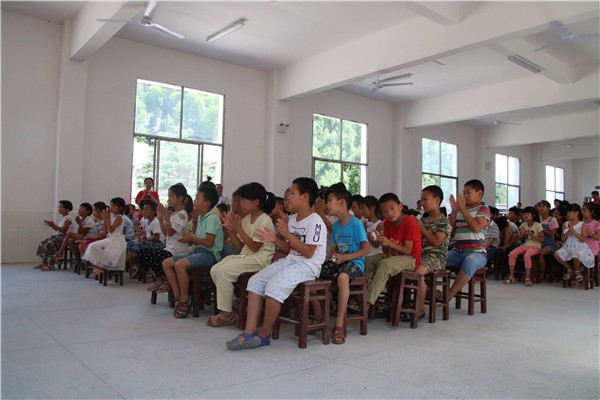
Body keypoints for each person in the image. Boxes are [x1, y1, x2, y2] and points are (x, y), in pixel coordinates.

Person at [226, 177, 326, 350]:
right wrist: (275, 239)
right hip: (291, 260)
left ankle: (264, 334)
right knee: (255, 281)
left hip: (308, 266)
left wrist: (287, 234)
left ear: (305, 197)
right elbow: (288, 248)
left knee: (274, 287)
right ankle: (249, 332)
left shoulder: (316, 221)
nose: (288, 197)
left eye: (292, 193)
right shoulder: (292, 219)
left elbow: (309, 252)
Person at [208, 182, 276, 327]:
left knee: (224, 272)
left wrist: (238, 229)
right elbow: (240, 247)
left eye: (244, 200)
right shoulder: (246, 219)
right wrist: (232, 230)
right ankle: (233, 304)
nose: (241, 203)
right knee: (215, 269)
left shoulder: (265, 220)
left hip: (259, 259)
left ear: (256, 202)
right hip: (246, 256)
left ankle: (226, 314)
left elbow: (255, 247)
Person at [162, 185, 223, 318]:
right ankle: (177, 295)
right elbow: (198, 240)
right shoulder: (201, 217)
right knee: (166, 263)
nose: (194, 201)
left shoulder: (212, 218)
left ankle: (185, 299)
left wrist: (191, 238)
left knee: (180, 265)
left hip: (210, 254)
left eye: (197, 198)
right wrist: (188, 239)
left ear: (207, 203)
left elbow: (209, 242)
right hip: (199, 251)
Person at [318, 189, 370, 344]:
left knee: (342, 277)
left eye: (330, 200)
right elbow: (335, 249)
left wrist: (345, 257)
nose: (327, 204)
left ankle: (339, 324)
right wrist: (326, 258)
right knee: (316, 271)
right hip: (339, 260)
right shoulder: (336, 226)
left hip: (355, 262)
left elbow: (366, 249)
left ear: (341, 203)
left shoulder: (356, 224)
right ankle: (319, 317)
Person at [364, 193, 422, 309]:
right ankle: (357, 294)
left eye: (392, 208)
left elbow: (408, 250)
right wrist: (381, 240)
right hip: (392, 255)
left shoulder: (410, 222)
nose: (389, 214)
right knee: (367, 261)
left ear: (400, 206)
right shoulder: (387, 223)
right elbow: (386, 250)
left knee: (385, 264)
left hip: (411, 258)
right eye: (385, 211)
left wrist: (389, 243)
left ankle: (367, 302)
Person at [139, 183, 192, 293]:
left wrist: (166, 216)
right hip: (169, 248)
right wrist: (160, 218)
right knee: (143, 253)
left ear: (180, 198)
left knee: (158, 256)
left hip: (177, 250)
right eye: (168, 196)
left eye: (171, 196)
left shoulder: (182, 214)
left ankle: (167, 281)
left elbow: (171, 233)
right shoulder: (174, 214)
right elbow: (166, 233)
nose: (169, 199)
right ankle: (160, 279)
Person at [445, 179, 490, 299]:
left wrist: (463, 210)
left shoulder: (483, 209)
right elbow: (450, 232)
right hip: (457, 251)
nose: (465, 196)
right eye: (463, 193)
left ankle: (449, 294)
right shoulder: (460, 210)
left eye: (468, 193)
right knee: (437, 257)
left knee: (470, 261)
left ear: (479, 193)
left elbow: (476, 227)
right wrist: (454, 211)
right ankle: (428, 290)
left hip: (477, 252)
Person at [412, 185, 452, 320]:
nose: (422, 203)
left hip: (436, 257)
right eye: (421, 200)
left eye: (425, 199)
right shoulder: (423, 220)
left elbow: (436, 242)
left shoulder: (443, 221)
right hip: (421, 254)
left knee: (417, 274)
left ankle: (420, 309)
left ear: (437, 200)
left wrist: (421, 228)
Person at [83, 197, 127, 276]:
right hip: (110, 238)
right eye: (111, 205)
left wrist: (107, 218)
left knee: (96, 247)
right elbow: (104, 231)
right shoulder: (112, 217)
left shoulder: (119, 217)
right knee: (93, 246)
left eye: (114, 206)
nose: (111, 208)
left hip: (117, 240)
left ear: (120, 208)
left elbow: (111, 230)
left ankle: (102, 267)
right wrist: (105, 218)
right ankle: (99, 266)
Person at [554, 203, 596, 282]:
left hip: (580, 246)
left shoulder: (583, 224)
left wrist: (573, 230)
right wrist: (569, 231)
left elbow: (583, 239)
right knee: (556, 254)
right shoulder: (565, 224)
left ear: (576, 213)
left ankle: (577, 271)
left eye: (570, 212)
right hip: (568, 246)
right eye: (568, 212)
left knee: (576, 254)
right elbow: (562, 239)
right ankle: (569, 269)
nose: (568, 214)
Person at [505, 206, 544, 287]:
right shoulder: (523, 224)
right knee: (512, 254)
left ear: (533, 215)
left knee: (527, 255)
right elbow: (521, 239)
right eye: (524, 214)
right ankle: (511, 277)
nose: (525, 216)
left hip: (535, 246)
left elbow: (542, 239)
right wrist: (522, 234)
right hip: (525, 245)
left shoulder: (538, 225)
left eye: (528, 214)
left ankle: (527, 278)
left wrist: (532, 235)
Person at [126, 200, 165, 278]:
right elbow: (147, 233)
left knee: (136, 245)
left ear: (153, 212)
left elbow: (156, 237)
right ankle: (135, 265)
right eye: (143, 209)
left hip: (158, 244)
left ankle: (132, 264)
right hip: (151, 242)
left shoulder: (155, 222)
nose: (143, 211)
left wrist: (146, 239)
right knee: (129, 243)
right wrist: (142, 236)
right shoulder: (147, 221)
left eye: (146, 209)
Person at [35, 200, 77, 271]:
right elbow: (58, 229)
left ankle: (51, 264)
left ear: (67, 209)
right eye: (59, 207)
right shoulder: (62, 218)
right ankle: (44, 263)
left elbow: (64, 230)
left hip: (65, 237)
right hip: (60, 236)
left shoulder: (68, 218)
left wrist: (53, 225)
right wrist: (51, 225)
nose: (59, 208)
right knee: (42, 243)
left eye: (61, 207)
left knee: (49, 244)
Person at [537, 200, 559, 281]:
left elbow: (551, 234)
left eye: (543, 206)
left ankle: (541, 274)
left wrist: (541, 228)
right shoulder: (538, 219)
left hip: (549, 244)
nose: (541, 208)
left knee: (540, 254)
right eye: (540, 206)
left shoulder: (552, 220)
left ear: (548, 208)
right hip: (538, 242)